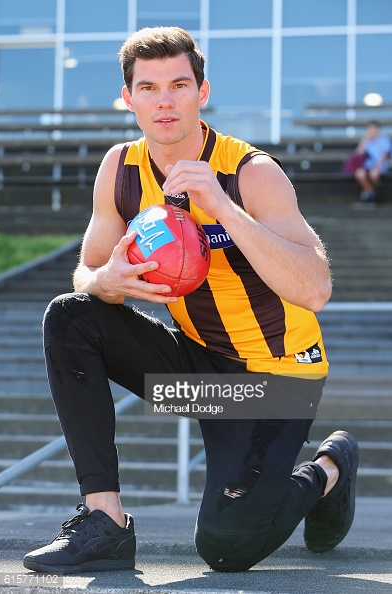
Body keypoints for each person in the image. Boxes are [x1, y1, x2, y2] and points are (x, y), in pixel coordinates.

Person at [23, 26, 359, 574]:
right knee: (70, 315)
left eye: (178, 84)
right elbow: (86, 273)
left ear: (202, 92)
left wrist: (224, 210)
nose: (164, 100)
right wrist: (106, 279)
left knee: (228, 547)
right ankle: (104, 521)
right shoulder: (120, 169)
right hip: (199, 377)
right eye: (149, 87)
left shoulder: (251, 172)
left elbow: (315, 288)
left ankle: (327, 468)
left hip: (275, 386)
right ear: (128, 98)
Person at [353, 120, 391, 202]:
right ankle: (371, 193)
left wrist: (377, 166)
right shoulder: (366, 141)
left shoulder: (384, 140)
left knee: (374, 174)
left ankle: (367, 194)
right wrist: (364, 141)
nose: (372, 131)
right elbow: (357, 155)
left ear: (378, 130)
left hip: (380, 165)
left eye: (374, 128)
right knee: (359, 173)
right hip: (367, 166)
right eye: (370, 129)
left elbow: (384, 156)